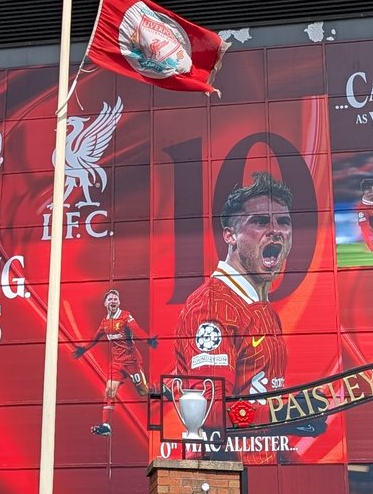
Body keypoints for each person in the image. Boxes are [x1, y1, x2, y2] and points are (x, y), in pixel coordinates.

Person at [175, 172, 294, 395]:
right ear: (230, 236)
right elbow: (212, 409)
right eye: (260, 221)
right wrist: (286, 415)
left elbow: (260, 394)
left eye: (284, 222)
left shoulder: (262, 306)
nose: (275, 231)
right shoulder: (212, 305)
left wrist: (296, 408)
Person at [73, 288, 156, 434]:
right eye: (110, 299)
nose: (113, 301)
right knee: (109, 390)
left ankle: (164, 392)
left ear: (119, 302)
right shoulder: (105, 322)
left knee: (144, 391)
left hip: (131, 361)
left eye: (115, 299)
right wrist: (83, 349)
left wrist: (147, 339)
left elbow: (136, 329)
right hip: (117, 364)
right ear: (105, 303)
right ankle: (106, 426)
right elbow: (95, 338)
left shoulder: (125, 316)